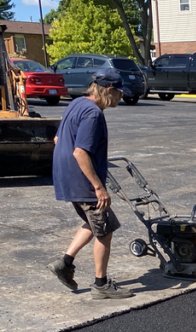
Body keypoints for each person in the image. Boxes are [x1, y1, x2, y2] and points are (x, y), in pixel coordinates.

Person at [48, 69, 134, 300]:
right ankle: (101, 285)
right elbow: (80, 152)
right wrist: (98, 186)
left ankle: (64, 263)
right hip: (82, 181)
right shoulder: (93, 114)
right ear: (108, 90)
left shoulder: (77, 103)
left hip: (66, 177)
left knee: (96, 222)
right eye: (118, 92)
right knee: (104, 231)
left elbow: (58, 139)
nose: (121, 97)